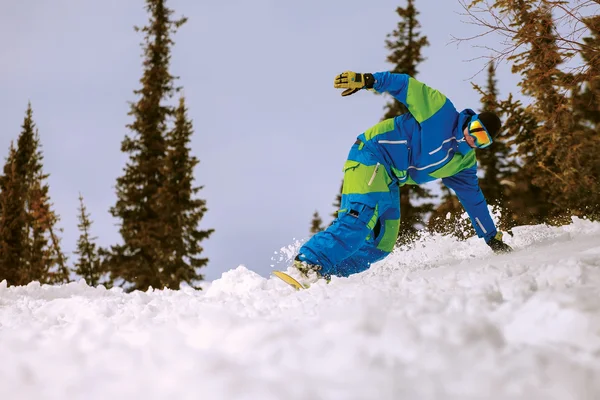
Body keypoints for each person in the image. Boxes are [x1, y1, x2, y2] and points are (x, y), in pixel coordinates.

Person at [294, 71, 513, 280]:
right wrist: (367, 80)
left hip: (390, 178)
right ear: (471, 120)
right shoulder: (441, 112)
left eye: (483, 140)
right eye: (476, 129)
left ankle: (325, 275)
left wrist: (491, 237)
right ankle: (308, 263)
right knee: (361, 216)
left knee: (382, 244)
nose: (474, 138)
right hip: (371, 153)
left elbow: (474, 200)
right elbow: (405, 85)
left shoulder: (463, 164)